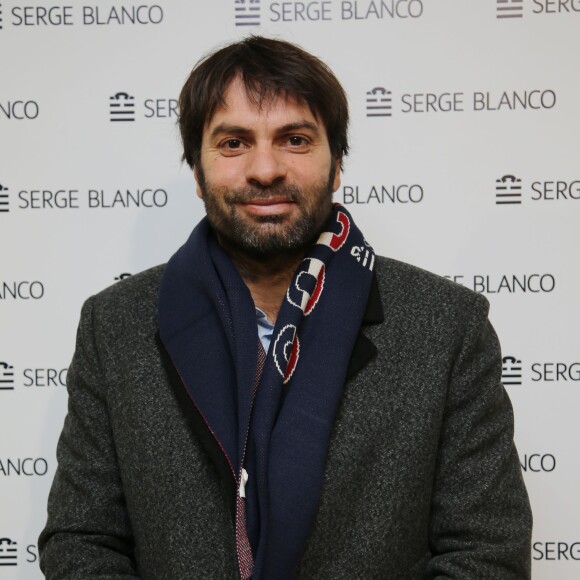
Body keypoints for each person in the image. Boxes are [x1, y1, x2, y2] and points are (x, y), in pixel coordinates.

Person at [39, 36, 532, 579]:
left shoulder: (447, 326)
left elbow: (486, 552)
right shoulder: (115, 326)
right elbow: (82, 541)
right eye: (233, 143)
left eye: (294, 139)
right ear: (198, 174)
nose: (265, 169)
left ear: (336, 163)